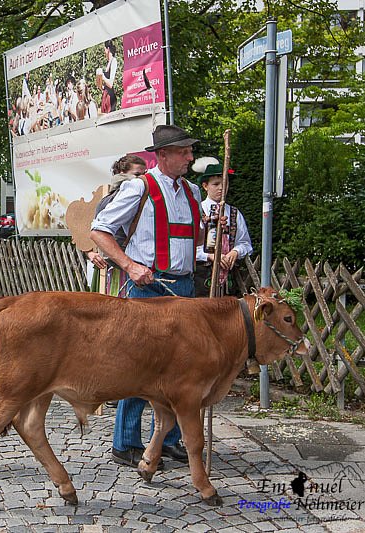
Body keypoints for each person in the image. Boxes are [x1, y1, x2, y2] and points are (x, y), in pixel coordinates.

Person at [90, 124, 203, 468]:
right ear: (163, 155)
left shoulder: (193, 193)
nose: (190, 157)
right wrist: (129, 265)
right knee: (140, 368)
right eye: (184, 151)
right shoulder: (139, 187)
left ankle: (166, 439)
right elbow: (99, 231)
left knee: (178, 371)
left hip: (183, 288)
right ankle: (125, 442)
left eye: (189, 150)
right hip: (147, 286)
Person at [86, 154, 148, 295]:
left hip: (133, 267)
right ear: (121, 174)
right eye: (137, 174)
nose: (142, 179)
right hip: (120, 266)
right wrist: (90, 252)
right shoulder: (114, 198)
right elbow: (95, 230)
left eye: (144, 174)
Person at [193, 158, 253, 297]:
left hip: (229, 279)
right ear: (205, 186)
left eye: (224, 184)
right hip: (201, 277)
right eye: (216, 184)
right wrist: (210, 256)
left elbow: (245, 243)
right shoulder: (196, 211)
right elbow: (187, 247)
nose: (221, 188)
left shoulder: (234, 213)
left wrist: (235, 252)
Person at [97, 40, 118, 113]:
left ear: (108, 49)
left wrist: (102, 76)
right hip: (105, 96)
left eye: (104, 49)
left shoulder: (114, 61)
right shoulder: (108, 63)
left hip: (110, 98)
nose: (104, 52)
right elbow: (105, 86)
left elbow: (110, 84)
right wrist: (99, 83)